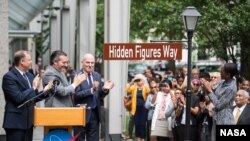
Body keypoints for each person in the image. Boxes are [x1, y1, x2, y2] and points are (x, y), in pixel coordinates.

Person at [2, 50, 53, 141]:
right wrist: (33, 88)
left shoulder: (29, 75)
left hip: (29, 123)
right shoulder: (9, 77)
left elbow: (32, 97)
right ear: (22, 62)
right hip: (15, 123)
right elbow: (18, 98)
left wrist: (45, 91)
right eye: (29, 60)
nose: (31, 62)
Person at [73, 53, 114, 141]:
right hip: (81, 114)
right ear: (82, 62)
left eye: (92, 63)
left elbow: (99, 95)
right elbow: (76, 95)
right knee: (79, 139)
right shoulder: (77, 76)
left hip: (95, 114)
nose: (90, 65)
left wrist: (104, 89)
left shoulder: (97, 75)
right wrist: (91, 90)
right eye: (87, 62)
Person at [201, 63, 238, 141]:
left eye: (221, 71)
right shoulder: (222, 82)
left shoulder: (231, 88)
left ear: (228, 74)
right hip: (216, 118)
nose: (220, 72)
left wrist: (209, 90)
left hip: (225, 120)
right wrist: (206, 86)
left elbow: (218, 105)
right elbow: (213, 95)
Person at [126, 74, 150, 141]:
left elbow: (149, 92)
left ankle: (143, 137)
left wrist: (144, 84)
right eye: (138, 80)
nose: (139, 81)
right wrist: (131, 82)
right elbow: (127, 90)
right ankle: (138, 137)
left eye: (140, 80)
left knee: (142, 123)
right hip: (135, 108)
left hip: (143, 108)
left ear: (143, 80)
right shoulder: (134, 87)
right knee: (137, 123)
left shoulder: (145, 87)